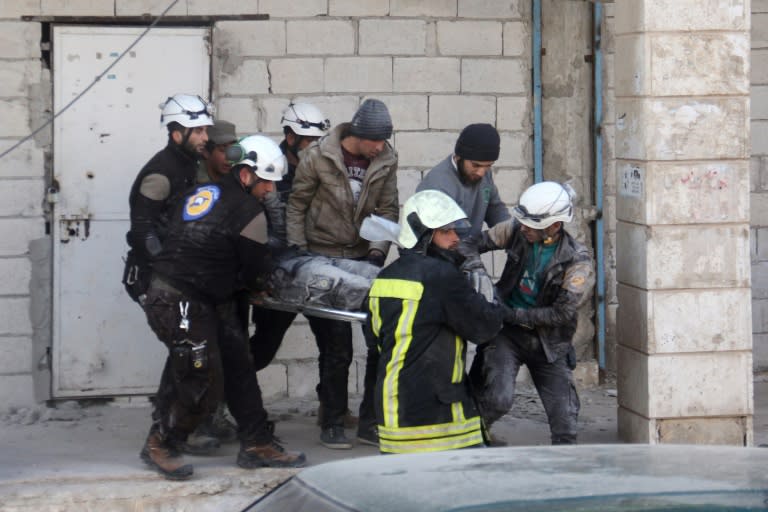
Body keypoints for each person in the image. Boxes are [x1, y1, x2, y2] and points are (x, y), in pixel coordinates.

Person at [138, 134, 306, 480]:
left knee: (238, 363)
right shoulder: (249, 212)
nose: (271, 192)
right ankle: (162, 442)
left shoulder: (201, 193)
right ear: (247, 175)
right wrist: (262, 285)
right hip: (177, 298)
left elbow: (173, 233)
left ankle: (257, 441)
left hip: (208, 294)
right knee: (199, 373)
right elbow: (256, 270)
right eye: (267, 183)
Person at [287, 98, 399, 449]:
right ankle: (332, 422)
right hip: (321, 256)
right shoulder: (317, 157)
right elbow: (297, 205)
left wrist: (378, 253)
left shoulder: (385, 160)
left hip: (363, 260)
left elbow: (389, 208)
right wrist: (300, 256)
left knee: (379, 343)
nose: (380, 147)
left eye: (384, 141)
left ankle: (370, 422)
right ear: (357, 134)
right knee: (337, 350)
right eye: (374, 141)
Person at [365, 190, 507, 454]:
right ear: (424, 236)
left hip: (391, 410)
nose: (455, 238)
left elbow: (374, 339)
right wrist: (492, 299)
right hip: (434, 414)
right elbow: (485, 327)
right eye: (445, 232)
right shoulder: (441, 276)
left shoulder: (384, 278)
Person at [470, 181, 594, 445]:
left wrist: (512, 314)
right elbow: (471, 245)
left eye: (532, 225)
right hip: (507, 336)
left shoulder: (576, 260)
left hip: (549, 343)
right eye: (523, 222)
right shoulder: (516, 230)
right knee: (497, 400)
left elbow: (561, 313)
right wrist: (478, 274)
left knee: (566, 423)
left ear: (554, 226)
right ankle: (473, 442)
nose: (523, 227)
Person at [416, 123, 511, 390]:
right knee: (439, 345)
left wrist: (515, 236)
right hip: (437, 269)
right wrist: (477, 272)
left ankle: (468, 404)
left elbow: (496, 210)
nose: (481, 172)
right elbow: (449, 242)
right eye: (476, 166)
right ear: (458, 157)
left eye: (488, 167)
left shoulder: (483, 176)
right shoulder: (438, 185)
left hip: (462, 264)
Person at [123, 94, 213, 304]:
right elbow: (143, 232)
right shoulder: (161, 174)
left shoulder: (190, 163)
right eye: (199, 131)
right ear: (177, 135)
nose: (205, 138)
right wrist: (171, 272)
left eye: (206, 131)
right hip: (160, 278)